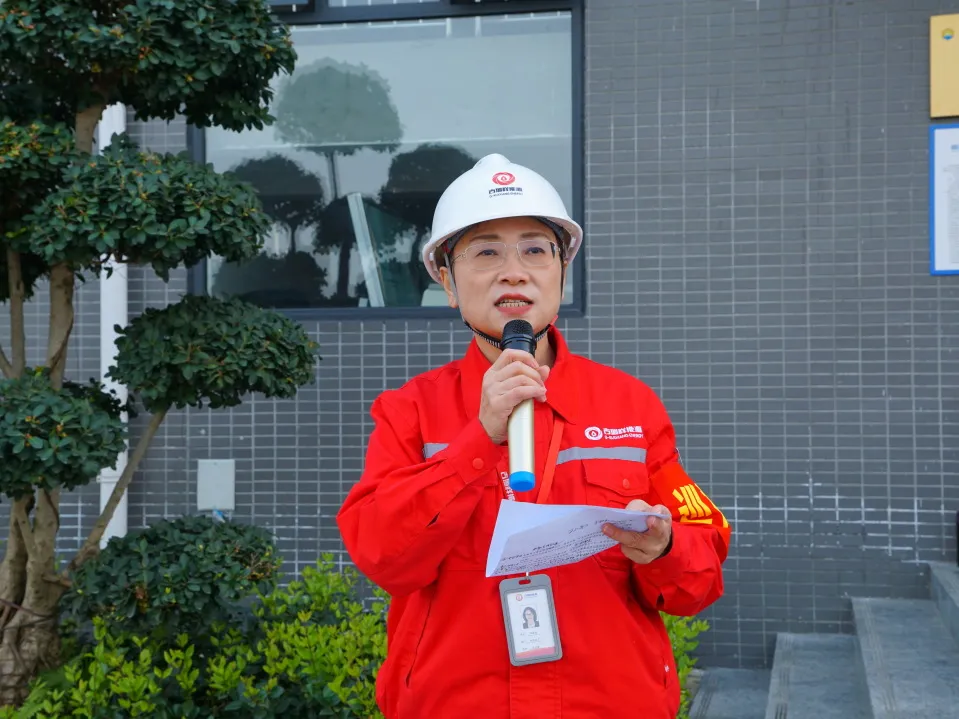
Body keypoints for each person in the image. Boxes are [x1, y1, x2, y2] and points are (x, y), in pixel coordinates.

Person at [337, 154, 731, 719]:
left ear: (560, 273)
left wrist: (663, 548)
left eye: (535, 250)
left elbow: (699, 578)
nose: (514, 272)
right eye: (486, 252)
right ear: (447, 282)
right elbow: (384, 558)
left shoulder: (630, 405)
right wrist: (478, 440)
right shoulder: (411, 411)